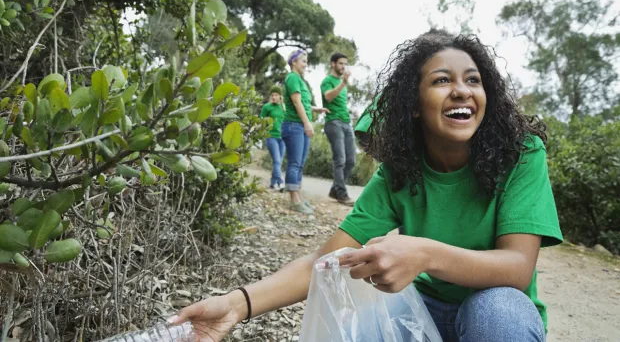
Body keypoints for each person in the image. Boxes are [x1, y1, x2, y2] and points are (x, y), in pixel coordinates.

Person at [170, 30, 563, 342]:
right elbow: (324, 264)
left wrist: (423, 254)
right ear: (413, 104)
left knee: (499, 310)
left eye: (473, 80)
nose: (462, 90)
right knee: (365, 305)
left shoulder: (522, 154)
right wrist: (237, 305)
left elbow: (516, 268)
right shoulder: (401, 171)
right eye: (442, 80)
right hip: (422, 315)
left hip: (491, 319)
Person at [279, 49, 329, 215]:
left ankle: (299, 197)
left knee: (299, 164)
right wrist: (307, 124)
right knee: (294, 163)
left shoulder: (300, 80)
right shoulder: (292, 77)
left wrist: (316, 109)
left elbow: (304, 103)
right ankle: (294, 201)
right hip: (294, 126)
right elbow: (295, 102)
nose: (306, 65)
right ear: (294, 62)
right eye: (303, 61)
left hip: (300, 126)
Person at [321, 53, 356, 206]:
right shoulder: (327, 81)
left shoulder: (343, 83)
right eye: (340, 63)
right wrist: (343, 83)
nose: (343, 66)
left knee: (351, 161)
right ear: (332, 64)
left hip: (346, 123)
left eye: (345, 64)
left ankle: (335, 190)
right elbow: (328, 97)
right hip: (333, 122)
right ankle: (342, 194)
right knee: (340, 160)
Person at [260, 85, 286, 190]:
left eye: (276, 95)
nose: (274, 97)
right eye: (272, 95)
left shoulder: (284, 108)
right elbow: (261, 120)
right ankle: (280, 183)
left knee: (278, 161)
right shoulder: (267, 107)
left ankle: (272, 183)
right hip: (271, 137)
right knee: (277, 160)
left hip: (283, 138)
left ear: (280, 96)